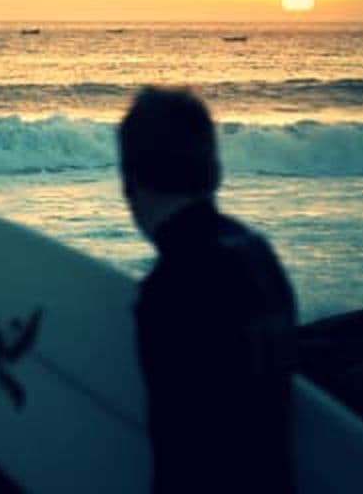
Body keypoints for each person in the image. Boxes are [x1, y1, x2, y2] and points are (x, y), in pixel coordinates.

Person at [118, 86, 297, 493]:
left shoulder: (173, 287)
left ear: (129, 180)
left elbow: (185, 446)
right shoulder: (256, 252)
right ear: (212, 170)